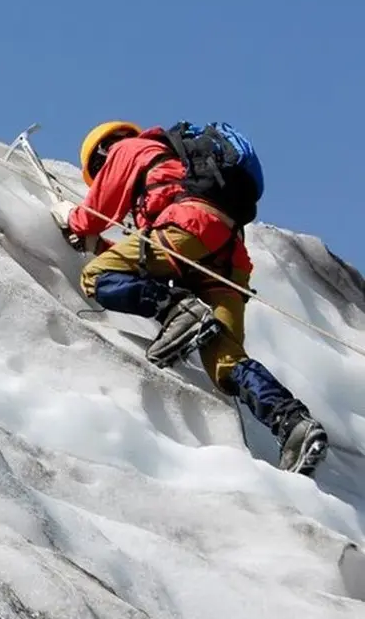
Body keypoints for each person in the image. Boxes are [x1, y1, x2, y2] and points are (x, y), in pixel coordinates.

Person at [51, 120, 328, 476]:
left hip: (189, 227)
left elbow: (93, 216)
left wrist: (71, 220)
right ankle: (294, 424)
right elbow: (151, 262)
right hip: (227, 256)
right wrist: (101, 246)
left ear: (102, 153)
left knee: (95, 277)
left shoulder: (129, 149)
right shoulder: (179, 167)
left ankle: (180, 313)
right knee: (226, 362)